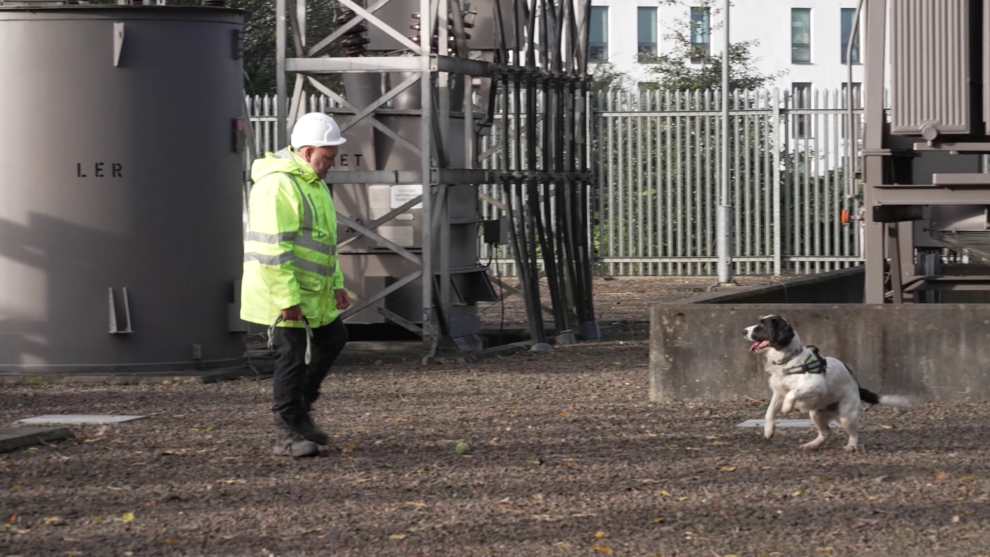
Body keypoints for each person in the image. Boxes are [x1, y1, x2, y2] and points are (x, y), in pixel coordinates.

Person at [240, 112, 352, 458]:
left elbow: (322, 242)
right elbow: (273, 249)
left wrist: (335, 282)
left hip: (309, 292)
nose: (331, 164)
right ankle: (287, 432)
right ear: (306, 152)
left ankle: (299, 412)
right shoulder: (278, 185)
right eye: (327, 157)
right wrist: (287, 299)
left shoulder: (311, 184)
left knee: (333, 337)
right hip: (283, 293)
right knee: (291, 357)